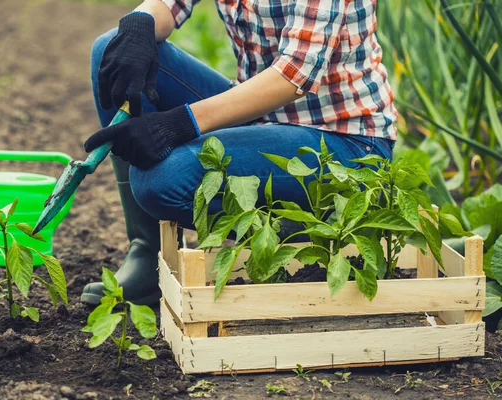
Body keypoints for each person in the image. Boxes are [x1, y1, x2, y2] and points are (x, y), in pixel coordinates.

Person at [80, 0, 397, 306]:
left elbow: (295, 74)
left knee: (161, 180)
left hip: (346, 145)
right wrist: (140, 26)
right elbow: (168, 4)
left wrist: (179, 124)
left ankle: (294, 227)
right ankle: (150, 252)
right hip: (262, 117)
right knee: (113, 48)